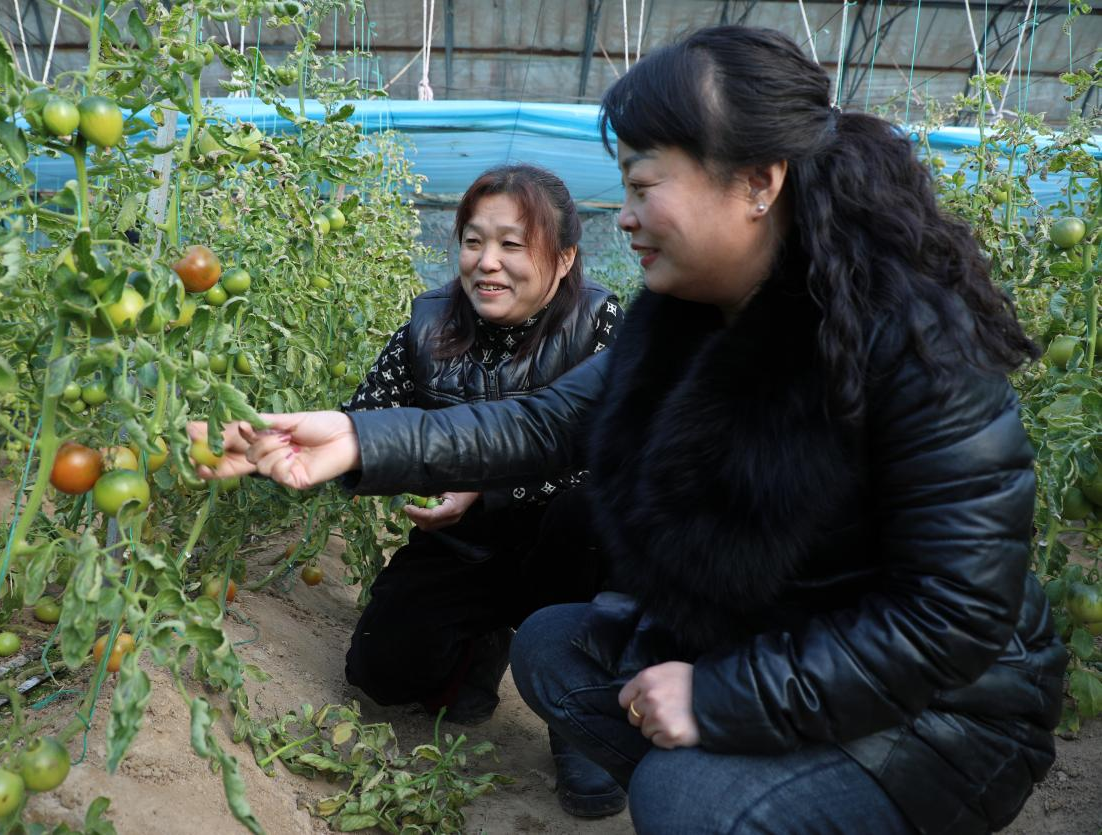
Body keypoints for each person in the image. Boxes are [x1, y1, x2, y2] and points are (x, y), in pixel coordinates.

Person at [193, 27, 1066, 835]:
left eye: (647, 184)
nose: (627, 216)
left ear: (760, 182)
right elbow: (548, 418)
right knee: (555, 648)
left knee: (680, 796)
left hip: (946, 714)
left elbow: (953, 619)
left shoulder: (911, 347)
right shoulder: (686, 320)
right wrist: (359, 436)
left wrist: (721, 699)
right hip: (777, 639)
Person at [320, 164, 630, 817]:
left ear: (565, 256)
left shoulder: (603, 324)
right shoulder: (429, 326)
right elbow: (370, 421)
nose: (487, 262)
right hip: (463, 546)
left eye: (512, 244)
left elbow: (618, 460)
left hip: (570, 549)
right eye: (472, 240)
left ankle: (580, 712)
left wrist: (486, 489)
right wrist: (290, 449)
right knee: (381, 670)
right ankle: (483, 640)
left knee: (588, 505)